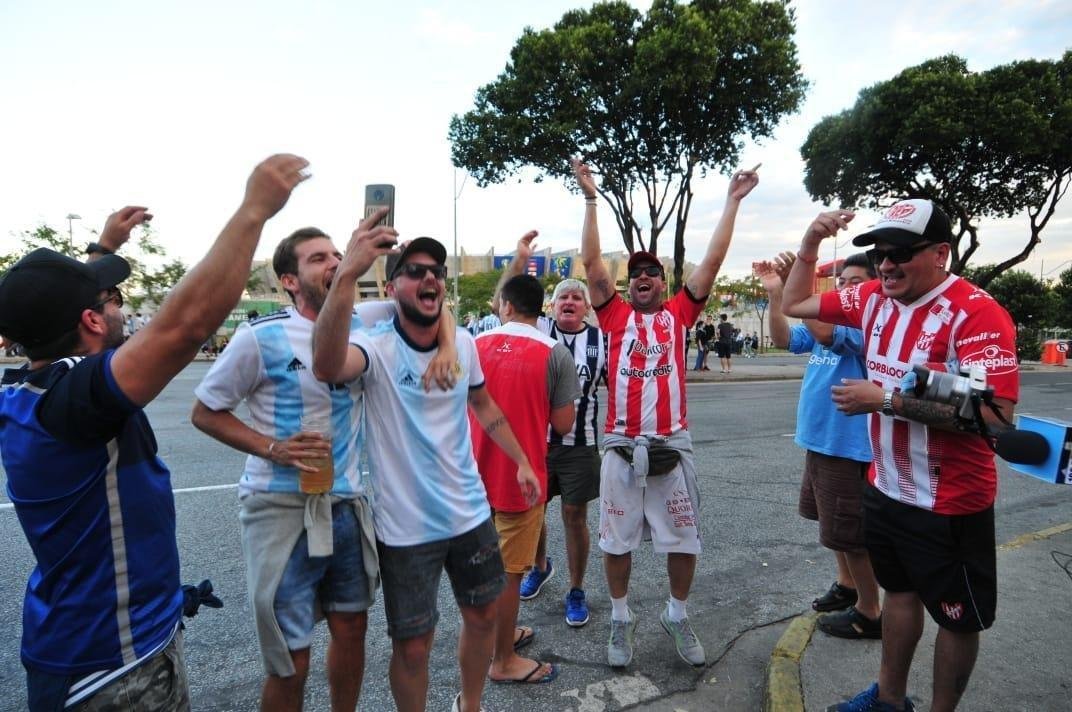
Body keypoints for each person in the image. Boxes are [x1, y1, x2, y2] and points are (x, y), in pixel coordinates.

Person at [0, 155, 309, 711]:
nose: (118, 307)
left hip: (76, 649)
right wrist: (254, 210)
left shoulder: (28, 392)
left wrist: (102, 249)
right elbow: (184, 326)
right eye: (109, 301)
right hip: (115, 669)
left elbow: (61, 312)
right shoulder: (76, 400)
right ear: (92, 322)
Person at [190, 225, 455, 711]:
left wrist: (451, 344)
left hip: (348, 503)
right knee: (291, 659)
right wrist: (271, 446)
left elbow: (436, 306)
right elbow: (205, 411)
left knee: (352, 632)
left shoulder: (367, 320)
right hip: (281, 506)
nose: (333, 262)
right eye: (318, 259)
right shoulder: (260, 337)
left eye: (337, 253)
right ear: (290, 280)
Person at [782, 199, 1019, 712]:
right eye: (881, 252)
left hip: (950, 501)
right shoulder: (871, 299)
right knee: (900, 595)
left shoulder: (976, 312)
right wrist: (809, 246)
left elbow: (997, 414)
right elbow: (794, 306)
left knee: (956, 617)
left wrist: (886, 400)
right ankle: (889, 700)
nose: (886, 264)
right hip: (885, 485)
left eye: (900, 253)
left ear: (941, 253)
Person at [312, 225, 540, 712]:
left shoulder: (464, 347)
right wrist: (349, 271)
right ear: (392, 288)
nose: (428, 278)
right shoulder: (375, 345)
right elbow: (328, 365)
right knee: (413, 645)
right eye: (414, 272)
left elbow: (483, 405)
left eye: (435, 271)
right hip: (406, 530)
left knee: (482, 617)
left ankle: (470, 705)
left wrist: (521, 460)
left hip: (471, 515)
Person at [572, 157, 758, 668]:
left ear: (663, 280)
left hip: (672, 445)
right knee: (616, 538)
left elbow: (713, 264)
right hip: (620, 446)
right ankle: (620, 618)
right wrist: (590, 198)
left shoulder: (679, 315)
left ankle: (676, 614)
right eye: (636, 273)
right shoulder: (612, 316)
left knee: (684, 538)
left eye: (653, 272)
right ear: (627, 284)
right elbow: (591, 264)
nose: (644, 277)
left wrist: (732, 202)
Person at [761, 251, 882, 641]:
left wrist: (798, 289)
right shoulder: (825, 323)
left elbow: (827, 334)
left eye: (856, 283)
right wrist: (777, 294)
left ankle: (870, 610)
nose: (846, 289)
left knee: (850, 534)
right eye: (842, 282)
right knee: (833, 527)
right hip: (821, 442)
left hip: (848, 447)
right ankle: (846, 586)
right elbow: (782, 338)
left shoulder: (870, 326)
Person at [494, 232, 608, 628]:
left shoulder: (600, 341)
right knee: (534, 512)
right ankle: (539, 566)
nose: (570, 302)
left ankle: (575, 589)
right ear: (552, 306)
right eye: (563, 297)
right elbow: (503, 304)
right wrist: (518, 260)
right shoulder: (538, 331)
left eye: (577, 297)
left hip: (581, 444)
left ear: (586, 307)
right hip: (536, 443)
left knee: (575, 515)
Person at [472, 273, 580, 684]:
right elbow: (564, 424)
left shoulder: (475, 345)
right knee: (509, 572)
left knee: (481, 567)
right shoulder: (555, 353)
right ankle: (502, 659)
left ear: (506, 305)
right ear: (542, 309)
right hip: (522, 477)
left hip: (472, 476)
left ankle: (501, 634)